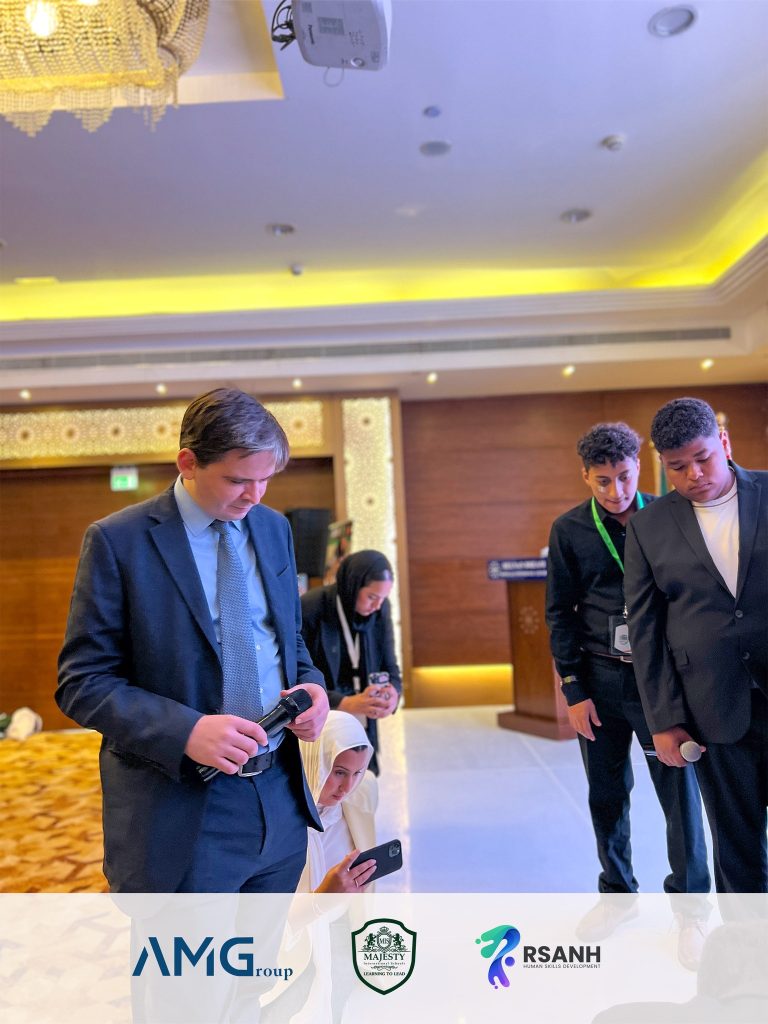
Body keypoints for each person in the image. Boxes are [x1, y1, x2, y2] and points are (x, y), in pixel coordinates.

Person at [57, 387, 330, 893]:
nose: (255, 495)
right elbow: (83, 683)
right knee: (185, 951)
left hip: (280, 798)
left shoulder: (273, 529)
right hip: (180, 809)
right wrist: (187, 731)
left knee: (261, 949)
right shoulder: (119, 541)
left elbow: (286, 639)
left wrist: (312, 687)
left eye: (266, 479)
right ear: (188, 463)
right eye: (238, 480)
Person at [545, 422, 710, 952]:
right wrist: (574, 690)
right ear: (585, 477)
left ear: (640, 466)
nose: (615, 491)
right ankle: (618, 895)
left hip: (660, 681)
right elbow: (559, 613)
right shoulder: (569, 530)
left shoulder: (669, 516)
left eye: (623, 476)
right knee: (606, 795)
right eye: (602, 481)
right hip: (598, 680)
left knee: (678, 796)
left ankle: (691, 909)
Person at [625, 397, 767, 893]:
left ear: (723, 442)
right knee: (737, 846)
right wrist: (663, 720)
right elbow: (644, 629)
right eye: (677, 467)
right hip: (713, 705)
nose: (694, 475)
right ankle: (749, 941)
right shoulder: (648, 526)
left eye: (703, 458)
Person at [300, 550, 402, 775]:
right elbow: (298, 676)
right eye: (372, 597)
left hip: (364, 723)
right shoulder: (311, 607)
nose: (377, 605)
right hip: (323, 720)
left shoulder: (380, 610)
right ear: (353, 586)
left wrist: (394, 693)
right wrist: (344, 703)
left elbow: (390, 665)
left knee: (363, 784)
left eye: (382, 598)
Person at [297, 710, 378, 893]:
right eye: (339, 772)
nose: (347, 787)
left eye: (357, 773)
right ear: (313, 762)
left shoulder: (364, 791)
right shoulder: (277, 818)